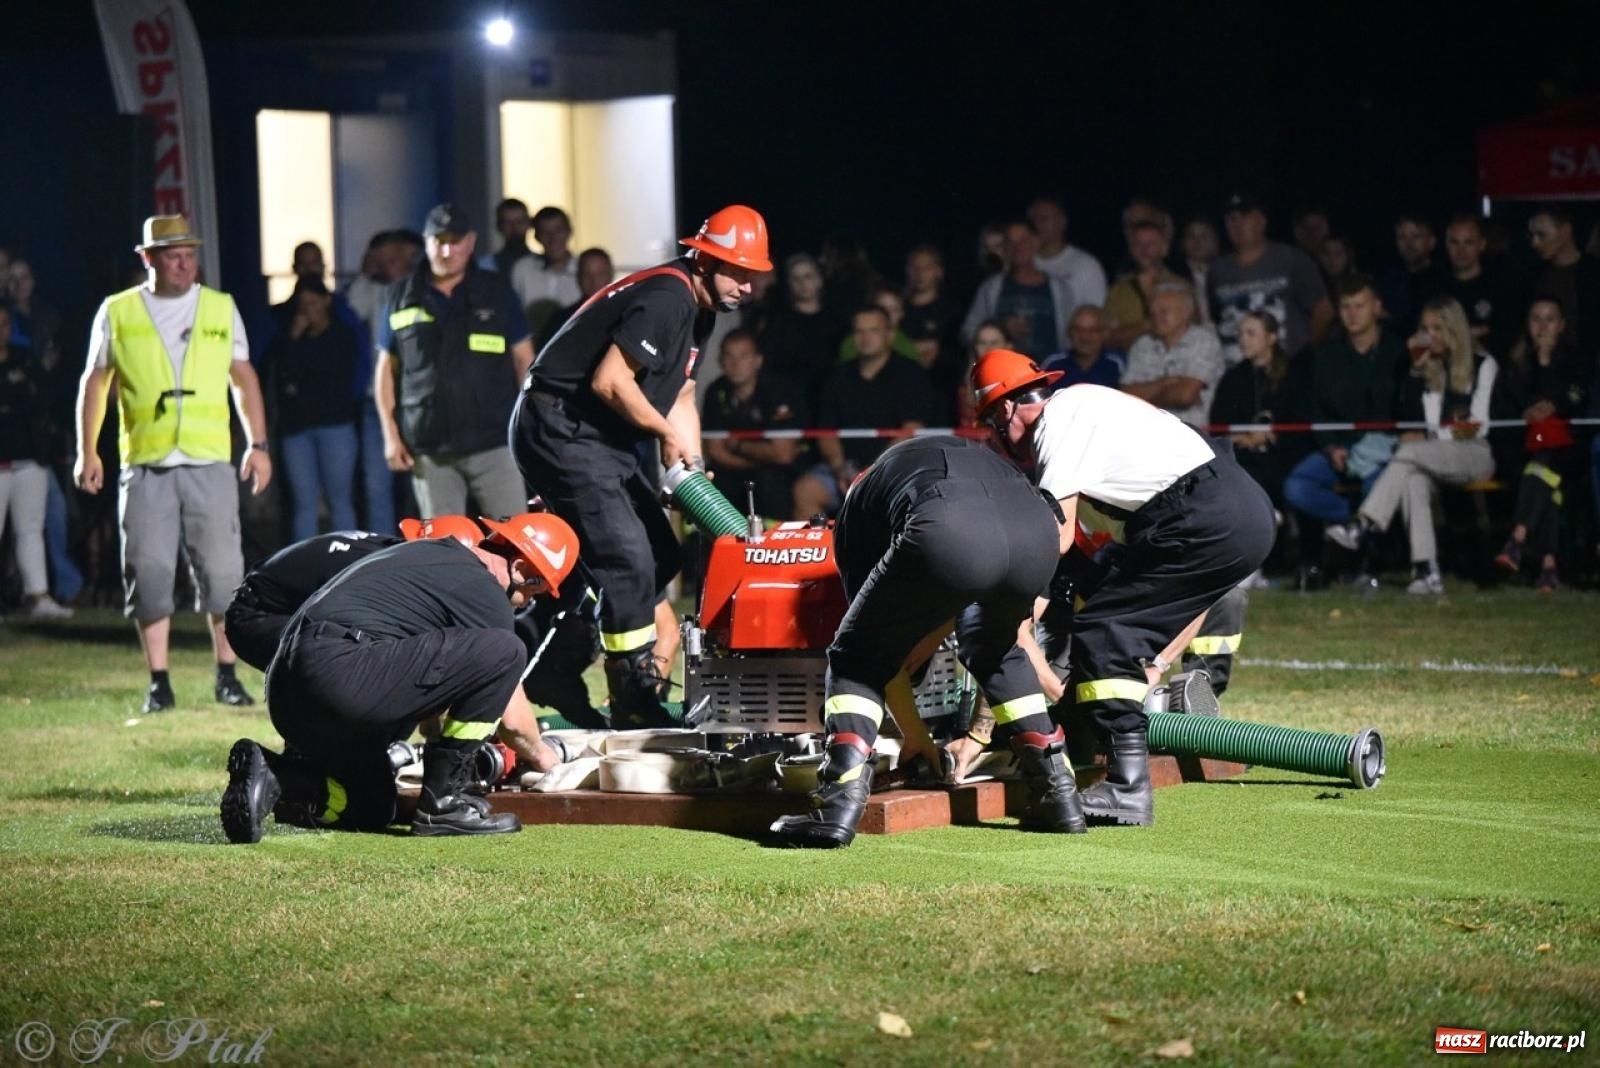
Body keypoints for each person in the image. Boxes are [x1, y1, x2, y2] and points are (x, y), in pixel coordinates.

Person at [969, 350, 1276, 826]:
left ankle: (1127, 787)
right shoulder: (1095, 413)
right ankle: (1104, 755)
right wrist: (1151, 664)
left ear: (1006, 409)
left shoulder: (1058, 421)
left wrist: (999, 591)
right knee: (1112, 626)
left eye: (992, 423)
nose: (996, 437)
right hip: (1238, 508)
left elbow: (1058, 535)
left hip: (1201, 513)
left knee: (1105, 630)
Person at [511, 204, 770, 728]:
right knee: (627, 561)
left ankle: (554, 666)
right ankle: (632, 701)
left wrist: (689, 459)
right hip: (559, 427)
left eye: (753, 274)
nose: (746, 285)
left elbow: (685, 392)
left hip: (597, 435)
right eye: (737, 270)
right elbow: (611, 382)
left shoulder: (699, 309)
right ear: (703, 258)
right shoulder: (667, 298)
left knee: (658, 554)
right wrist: (667, 435)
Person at [770, 434, 1084, 847]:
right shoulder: (951, 460)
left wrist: (912, 734)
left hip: (948, 520)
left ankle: (835, 805)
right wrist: (917, 735)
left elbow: (878, 654)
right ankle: (1057, 793)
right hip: (1038, 530)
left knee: (854, 657)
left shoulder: (859, 510)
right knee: (997, 649)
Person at [221, 511, 579, 843]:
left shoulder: (424, 557)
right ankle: (445, 804)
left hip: (287, 689)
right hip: (339, 675)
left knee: (374, 805)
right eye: (535, 590)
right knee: (506, 650)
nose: (528, 602)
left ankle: (276, 777)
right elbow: (514, 721)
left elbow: (429, 685)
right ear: (519, 567)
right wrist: (547, 760)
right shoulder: (484, 590)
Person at [74, 214, 271, 712]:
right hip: (145, 461)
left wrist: (258, 444)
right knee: (149, 569)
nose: (184, 263)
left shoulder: (220, 308)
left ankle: (226, 674)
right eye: (172, 255)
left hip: (208, 460)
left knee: (224, 572)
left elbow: (242, 378)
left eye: (189, 254)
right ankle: (158, 681)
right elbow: (95, 382)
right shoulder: (117, 311)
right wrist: (88, 450)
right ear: (148, 259)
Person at [1324, 297, 1498, 594]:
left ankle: (1363, 524)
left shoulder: (1484, 364)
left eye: (1437, 329)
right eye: (1425, 328)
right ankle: (1427, 571)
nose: (1429, 336)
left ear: (1453, 330)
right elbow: (1412, 418)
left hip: (1475, 453)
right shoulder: (1428, 367)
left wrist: (1429, 438)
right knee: (1413, 479)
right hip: (1430, 455)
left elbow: (1478, 425)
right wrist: (1416, 372)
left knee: (1407, 453)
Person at [374, 203, 532, 520]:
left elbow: (525, 361)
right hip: (431, 450)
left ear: (471, 242)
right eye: (438, 240)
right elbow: (386, 372)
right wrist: (391, 437)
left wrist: (528, 429)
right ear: (426, 242)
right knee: (445, 550)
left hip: (494, 445)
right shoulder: (401, 295)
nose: (447, 250)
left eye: (455, 240)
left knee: (515, 542)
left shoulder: (496, 291)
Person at [1280, 274, 1405, 588]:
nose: (1351, 313)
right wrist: (1331, 446)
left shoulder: (1399, 353)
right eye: (1345, 306)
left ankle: (1366, 561)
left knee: (1377, 484)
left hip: (1384, 452)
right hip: (1340, 451)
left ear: (1377, 307)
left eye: (1359, 305)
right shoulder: (1327, 355)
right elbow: (1318, 410)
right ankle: (1355, 521)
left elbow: (1403, 407)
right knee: (1296, 485)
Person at [792, 305, 939, 518]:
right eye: (859, 331)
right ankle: (829, 550)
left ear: (889, 334)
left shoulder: (910, 374)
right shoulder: (838, 377)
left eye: (873, 330)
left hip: (894, 469)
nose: (865, 337)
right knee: (805, 491)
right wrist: (839, 468)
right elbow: (826, 432)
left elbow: (911, 430)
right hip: (845, 470)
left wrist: (872, 471)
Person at [1493, 299, 1588, 591]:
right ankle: (1548, 566)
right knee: (1546, 479)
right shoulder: (1514, 363)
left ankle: (1518, 539)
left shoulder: (1575, 361)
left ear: (1561, 325)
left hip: (1567, 448)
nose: (1543, 326)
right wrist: (1525, 413)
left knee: (1544, 467)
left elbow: (1577, 402)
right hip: (1524, 448)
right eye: (1536, 319)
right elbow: (1504, 408)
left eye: (1550, 319)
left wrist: (1547, 366)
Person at [262, 277, 362, 540]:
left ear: (326, 300)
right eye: (303, 304)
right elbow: (284, 374)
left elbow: (336, 378)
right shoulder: (289, 337)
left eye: (313, 302)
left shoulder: (342, 334)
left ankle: (347, 561)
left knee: (339, 500)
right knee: (304, 505)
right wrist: (294, 337)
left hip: (335, 426)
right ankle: (303, 564)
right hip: (297, 429)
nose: (309, 309)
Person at [339, 231, 412, 535]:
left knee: (419, 484)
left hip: (417, 401)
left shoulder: (423, 290)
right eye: (381, 261)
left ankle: (421, 549)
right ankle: (383, 551)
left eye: (392, 259)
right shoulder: (373, 292)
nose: (387, 266)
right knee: (376, 485)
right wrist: (366, 272)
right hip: (375, 404)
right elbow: (351, 308)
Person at [0, 307, 70, 619]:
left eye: (4, 324)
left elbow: (42, 399)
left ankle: (37, 595)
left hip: (29, 457)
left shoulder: (24, 358)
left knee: (31, 528)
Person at [1210, 310, 1313, 518]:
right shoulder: (1234, 377)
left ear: (1271, 337)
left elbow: (1303, 419)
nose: (1242, 340)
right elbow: (1218, 421)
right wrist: (1241, 438)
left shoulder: (1294, 374)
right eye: (1240, 334)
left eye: (1251, 333)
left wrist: (1271, 436)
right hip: (1246, 455)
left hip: (1287, 453)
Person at [1210, 193, 1333, 363]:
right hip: (1236, 372)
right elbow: (1216, 317)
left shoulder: (1291, 258)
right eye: (1231, 219)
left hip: (1285, 370)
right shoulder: (1217, 269)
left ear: (1261, 221)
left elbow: (1323, 310)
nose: (1237, 224)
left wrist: (1303, 353)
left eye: (1245, 217)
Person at [702, 328, 807, 521]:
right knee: (709, 482)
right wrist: (756, 461)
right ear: (721, 361)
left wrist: (737, 445)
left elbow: (783, 454)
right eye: (729, 355)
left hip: (778, 474)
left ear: (758, 360)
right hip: (732, 471)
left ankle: (775, 545)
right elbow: (716, 451)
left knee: (771, 483)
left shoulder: (778, 391)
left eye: (743, 356)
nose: (735, 363)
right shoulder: (715, 391)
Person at [960, 220, 1076, 359]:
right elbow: (968, 332)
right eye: (1011, 241)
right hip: (1004, 373)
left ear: (1035, 242)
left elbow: (1074, 335)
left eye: (1023, 240)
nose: (1017, 247)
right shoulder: (991, 288)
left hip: (1049, 374)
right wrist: (1000, 328)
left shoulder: (1060, 289)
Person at [1119, 283, 1225, 430]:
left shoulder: (1205, 341)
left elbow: (1184, 396)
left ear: (1186, 312)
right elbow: (1124, 396)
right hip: (1147, 434)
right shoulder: (1143, 344)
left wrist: (1145, 396)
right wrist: (1164, 383)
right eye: (1152, 313)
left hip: (1192, 436)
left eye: (1163, 311)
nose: (1156, 317)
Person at [758, 252, 841, 404]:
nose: (802, 283)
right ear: (790, 284)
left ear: (819, 280)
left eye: (808, 276)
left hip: (830, 397)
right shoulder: (778, 323)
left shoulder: (836, 320)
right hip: (792, 399)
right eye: (796, 278)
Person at [1439, 213, 1522, 358]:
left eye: (1468, 242)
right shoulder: (1435, 288)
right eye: (1454, 242)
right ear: (1446, 244)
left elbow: (1507, 334)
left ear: (1482, 244)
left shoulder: (1502, 287)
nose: (1461, 250)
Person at [1526, 206, 1600, 357]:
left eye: (1541, 235)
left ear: (1565, 231)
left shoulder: (1593, 273)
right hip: (1540, 361)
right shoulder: (1533, 275)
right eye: (1532, 236)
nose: (1535, 243)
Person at [1104, 220, 1184, 352]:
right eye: (1137, 244)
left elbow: (1190, 332)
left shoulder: (1181, 287)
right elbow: (1108, 338)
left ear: (1164, 249)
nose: (1144, 249)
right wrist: (1148, 325)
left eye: (1151, 243)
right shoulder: (1118, 291)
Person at [510, 206, 582, 342]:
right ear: (536, 236)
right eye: (545, 232)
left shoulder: (584, 269)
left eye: (558, 230)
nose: (553, 238)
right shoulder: (523, 269)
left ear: (569, 232)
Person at [1029, 195, 1108, 309]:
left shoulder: (1086, 265)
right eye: (1033, 219)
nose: (1037, 225)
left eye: (1044, 219)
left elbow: (1097, 312)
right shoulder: (1023, 262)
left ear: (1063, 222)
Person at [1377, 214, 1446, 338]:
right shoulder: (1387, 282)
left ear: (1431, 242)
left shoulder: (1445, 280)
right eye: (1402, 237)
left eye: (1416, 236)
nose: (1408, 244)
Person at [536, 247, 614, 350]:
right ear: (578, 277)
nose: (593, 280)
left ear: (610, 274)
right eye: (587, 274)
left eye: (600, 274)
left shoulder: (627, 315)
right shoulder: (562, 321)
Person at [1041, 306, 1126, 389]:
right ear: (1070, 333)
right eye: (1079, 330)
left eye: (1093, 330)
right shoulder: (1052, 363)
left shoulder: (1117, 364)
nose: (1085, 336)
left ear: (1104, 334)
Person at [1178, 217, 1221, 326]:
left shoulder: (1226, 272)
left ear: (1216, 241)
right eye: (1191, 236)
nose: (1197, 241)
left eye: (1204, 236)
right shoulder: (1175, 276)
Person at [491, 198, 535, 279]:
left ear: (529, 224)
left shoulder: (542, 265)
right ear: (499, 226)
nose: (514, 228)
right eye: (508, 223)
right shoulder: (485, 267)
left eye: (519, 222)